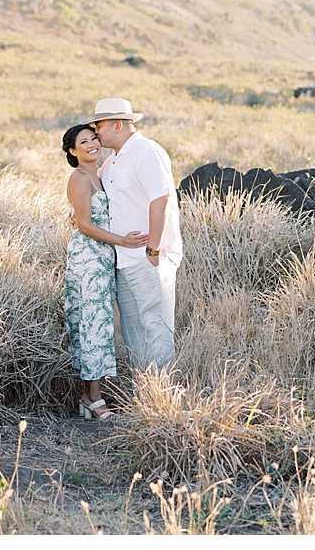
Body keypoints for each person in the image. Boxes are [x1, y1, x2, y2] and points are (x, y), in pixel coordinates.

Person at [88, 98, 183, 371]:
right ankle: (144, 393)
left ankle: (163, 393)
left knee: (156, 325)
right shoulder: (112, 162)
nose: (96, 132)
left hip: (149, 256)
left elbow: (161, 199)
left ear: (118, 125)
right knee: (133, 333)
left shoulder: (146, 151)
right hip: (123, 259)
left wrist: (153, 249)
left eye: (100, 126)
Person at [61, 122, 148, 420]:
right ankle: (93, 399)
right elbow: (84, 225)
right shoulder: (80, 178)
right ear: (73, 151)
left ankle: (90, 395)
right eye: (83, 142)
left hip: (103, 258)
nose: (91, 144)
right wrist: (122, 240)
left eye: (94, 138)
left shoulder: (99, 176)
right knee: (93, 324)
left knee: (99, 323)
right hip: (88, 259)